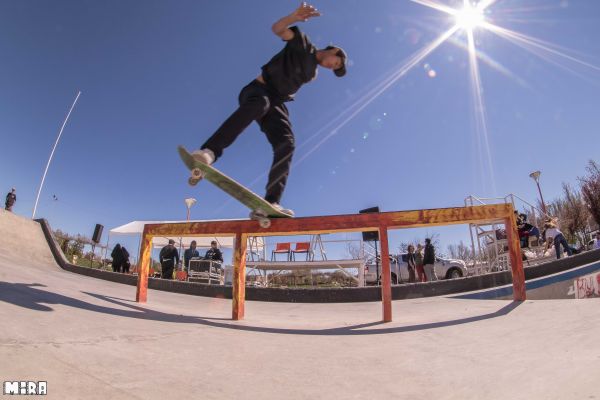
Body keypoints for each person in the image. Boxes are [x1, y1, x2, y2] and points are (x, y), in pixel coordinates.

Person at [188, 2, 347, 216]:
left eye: (335, 68)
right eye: (336, 63)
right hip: (257, 90)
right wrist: (293, 17)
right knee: (260, 104)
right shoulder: (302, 44)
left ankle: (270, 203)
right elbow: (278, 29)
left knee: (287, 143)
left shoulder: (313, 74)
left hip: (276, 103)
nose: (332, 67)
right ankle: (208, 152)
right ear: (334, 51)